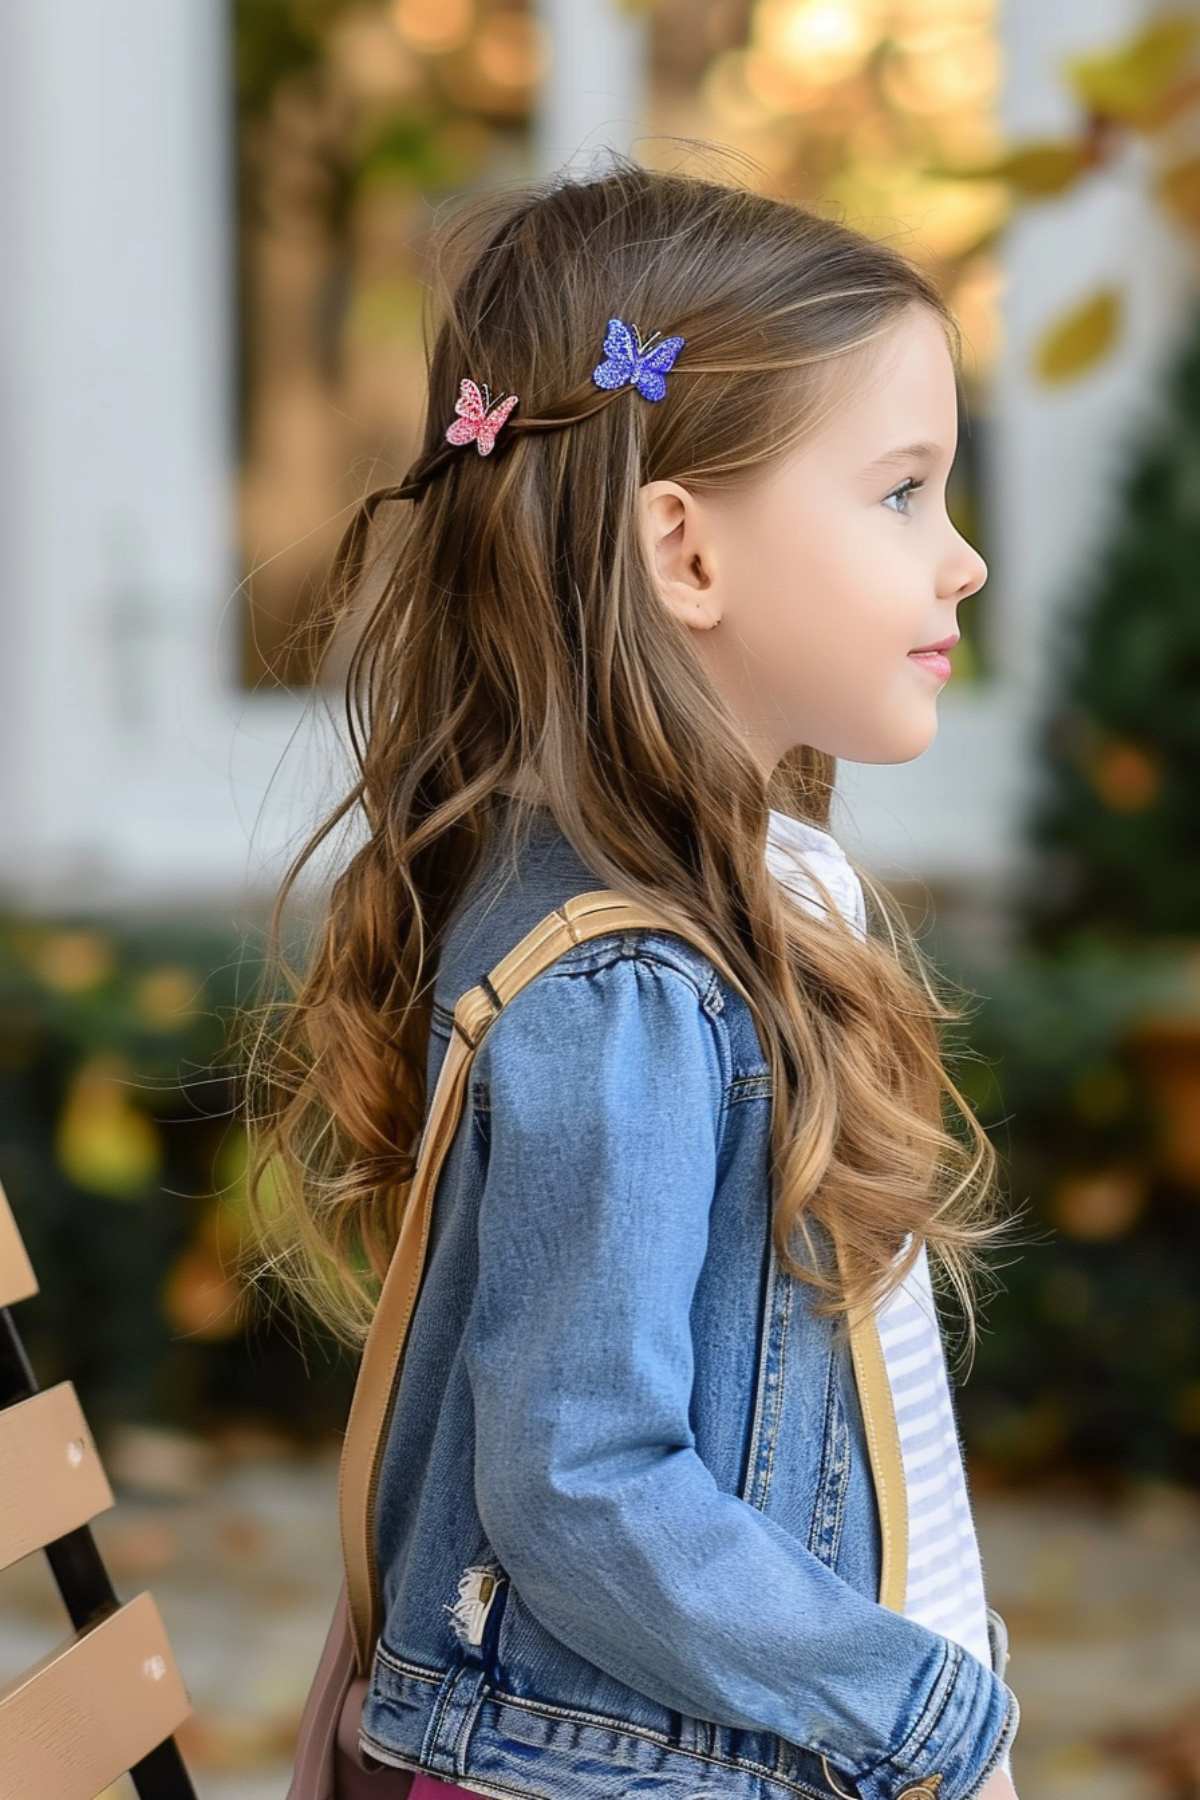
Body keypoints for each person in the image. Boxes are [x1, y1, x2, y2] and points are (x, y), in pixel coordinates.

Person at [240, 146, 1031, 1800]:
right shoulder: (630, 987)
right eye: (900, 493)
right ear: (685, 554)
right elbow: (584, 1476)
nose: (956, 557)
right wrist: (917, 1714)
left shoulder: (742, 892)